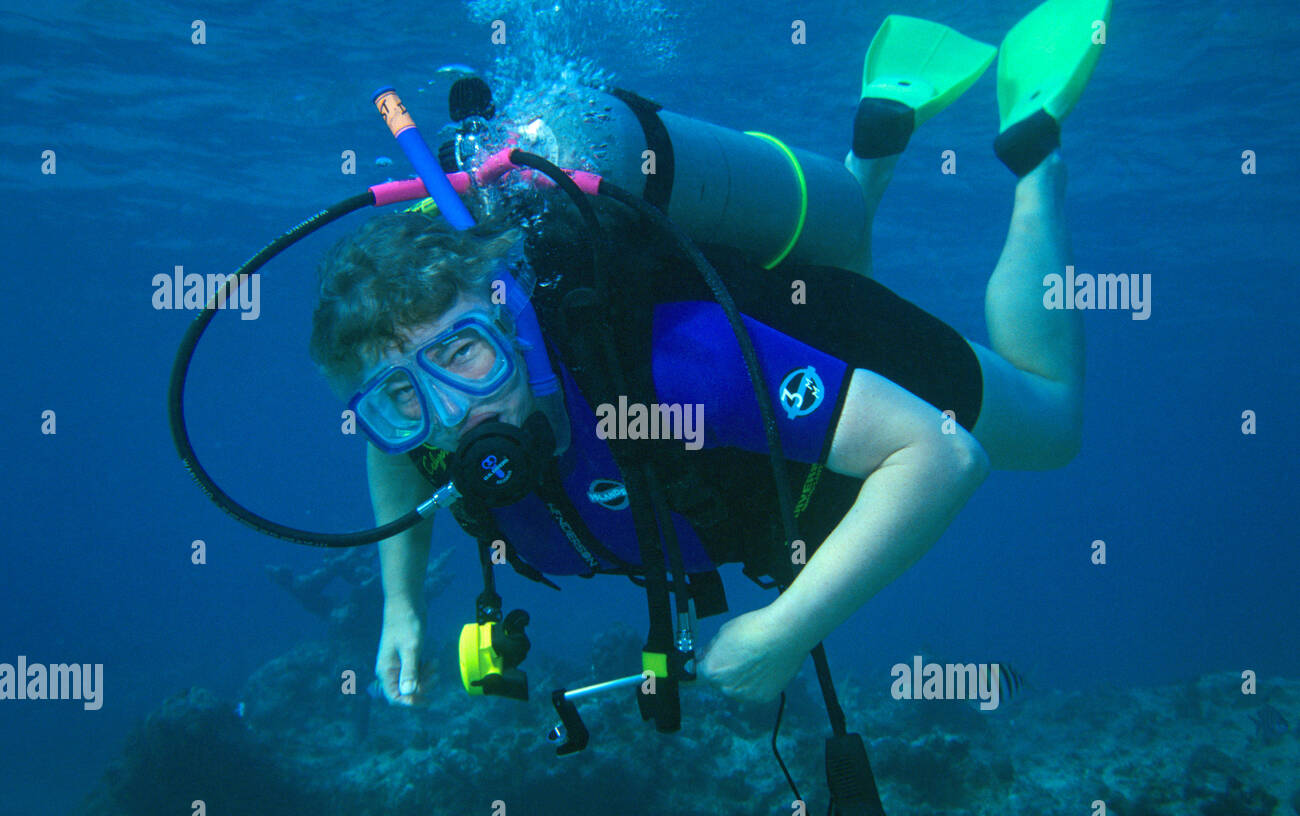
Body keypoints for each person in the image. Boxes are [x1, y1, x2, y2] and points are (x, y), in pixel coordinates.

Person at [308, 0, 1108, 707]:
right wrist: (403, 604)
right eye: (402, 399)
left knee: (1057, 419)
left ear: (510, 317)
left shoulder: (670, 364)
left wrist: (783, 632)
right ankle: (876, 142)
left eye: (465, 352)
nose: (453, 412)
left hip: (838, 345)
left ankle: (1034, 153)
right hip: (775, 384)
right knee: (844, 240)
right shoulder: (436, 428)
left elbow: (942, 457)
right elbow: (402, 453)